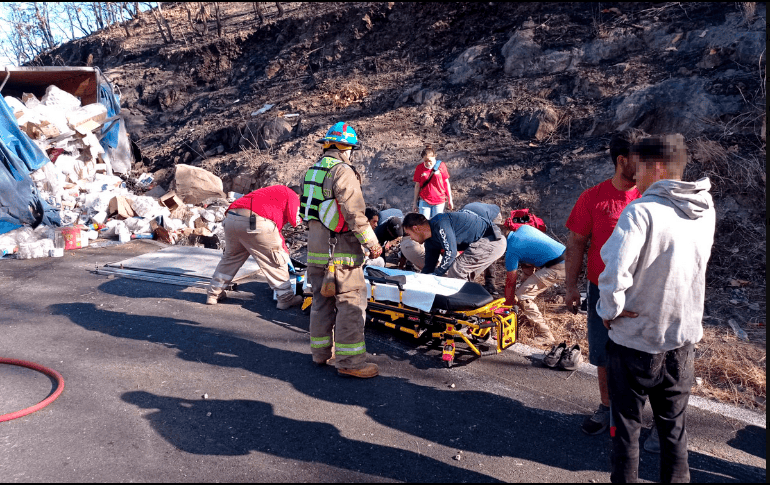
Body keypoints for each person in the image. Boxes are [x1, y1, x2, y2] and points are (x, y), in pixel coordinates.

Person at [597, 134, 715, 483]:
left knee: (626, 431)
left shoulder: (641, 212)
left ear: (657, 167)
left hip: (636, 341)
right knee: (674, 431)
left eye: (640, 166)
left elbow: (615, 272)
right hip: (681, 340)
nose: (636, 174)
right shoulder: (704, 208)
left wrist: (610, 311)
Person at [564, 128, 645, 436]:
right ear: (622, 160)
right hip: (601, 291)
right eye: (641, 159)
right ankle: (606, 406)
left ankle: (635, 413)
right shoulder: (593, 198)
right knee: (602, 354)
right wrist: (571, 287)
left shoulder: (651, 197)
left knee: (640, 356)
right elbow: (576, 243)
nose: (648, 166)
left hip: (640, 294)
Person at [301, 121, 383, 378]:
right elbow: (355, 214)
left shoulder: (312, 171)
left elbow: (309, 213)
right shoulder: (343, 172)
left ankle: (320, 354)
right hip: (342, 255)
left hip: (316, 251)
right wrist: (372, 243)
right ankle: (350, 362)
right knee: (350, 305)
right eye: (351, 149)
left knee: (321, 302)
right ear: (345, 148)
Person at [206, 185, 304, 310]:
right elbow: (295, 220)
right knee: (274, 258)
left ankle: (214, 293)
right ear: (298, 195)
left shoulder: (270, 192)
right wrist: (305, 219)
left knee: (230, 258)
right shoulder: (291, 195)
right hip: (255, 222)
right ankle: (285, 298)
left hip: (231, 219)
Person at [501, 220, 566, 346]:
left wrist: (508, 308)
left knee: (522, 296)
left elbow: (510, 282)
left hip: (559, 266)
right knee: (524, 285)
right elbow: (529, 263)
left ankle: (545, 335)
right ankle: (524, 312)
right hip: (568, 256)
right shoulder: (523, 229)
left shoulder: (512, 252)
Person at [402, 210, 506, 281]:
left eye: (409, 234)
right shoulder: (430, 241)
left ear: (416, 228)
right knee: (458, 273)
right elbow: (429, 267)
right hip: (483, 244)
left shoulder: (440, 223)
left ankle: (460, 307)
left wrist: (435, 275)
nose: (410, 238)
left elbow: (450, 252)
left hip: (492, 240)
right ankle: (464, 303)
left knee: (456, 269)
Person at [459, 202, 504, 295]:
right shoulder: (459, 221)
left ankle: (490, 284)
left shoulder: (466, 224)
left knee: (489, 248)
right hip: (479, 214)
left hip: (493, 216)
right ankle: (468, 280)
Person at [412, 145, 453, 218]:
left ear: (434, 157)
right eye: (425, 161)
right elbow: (417, 186)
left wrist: (450, 200)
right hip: (424, 200)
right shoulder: (419, 168)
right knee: (424, 224)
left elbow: (446, 183)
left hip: (439, 201)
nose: (428, 163)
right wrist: (415, 203)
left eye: (430, 161)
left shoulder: (441, 166)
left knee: (436, 223)